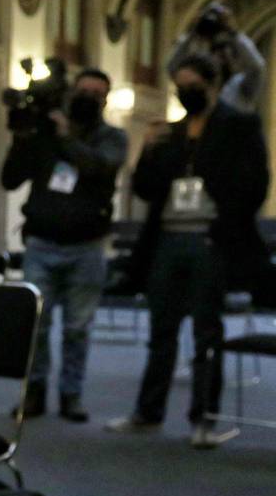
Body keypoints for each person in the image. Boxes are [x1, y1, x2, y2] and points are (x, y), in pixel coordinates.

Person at [108, 54, 269, 448]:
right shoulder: (172, 133)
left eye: (192, 84)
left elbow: (255, 183)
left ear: (212, 84)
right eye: (179, 85)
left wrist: (224, 222)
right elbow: (145, 189)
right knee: (161, 329)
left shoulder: (239, 125)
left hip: (210, 239)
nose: (185, 92)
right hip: (167, 239)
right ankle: (148, 412)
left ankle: (204, 418)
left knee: (205, 332)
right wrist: (146, 149)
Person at [1, 68, 128, 422]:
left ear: (105, 99)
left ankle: (71, 394)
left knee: (77, 327)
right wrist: (23, 136)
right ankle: (35, 392)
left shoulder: (112, 137)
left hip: (86, 246)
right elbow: (10, 179)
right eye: (82, 90)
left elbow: (99, 168)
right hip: (42, 243)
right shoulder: (45, 134)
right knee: (37, 324)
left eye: (96, 92)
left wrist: (65, 136)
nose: (87, 96)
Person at [167, 3, 265, 114]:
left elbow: (257, 66)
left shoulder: (240, 86)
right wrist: (192, 34)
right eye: (213, 53)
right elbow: (172, 67)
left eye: (222, 54)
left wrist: (234, 34)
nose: (217, 59)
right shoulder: (198, 87)